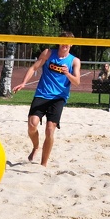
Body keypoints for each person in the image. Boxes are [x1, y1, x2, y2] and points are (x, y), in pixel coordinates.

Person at [12, 31, 81, 167]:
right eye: (63, 40)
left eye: (68, 41)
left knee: (50, 129)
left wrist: (67, 73)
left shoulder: (74, 61)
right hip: (42, 94)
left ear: (71, 44)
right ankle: (36, 146)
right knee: (32, 124)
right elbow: (34, 68)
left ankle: (43, 164)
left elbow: (77, 82)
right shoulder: (48, 53)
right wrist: (24, 82)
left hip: (58, 97)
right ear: (58, 41)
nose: (65, 44)